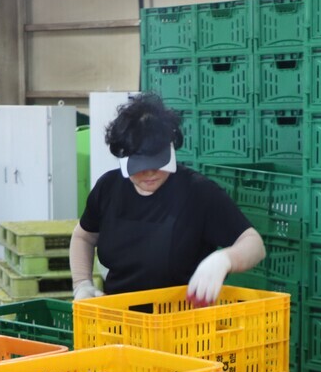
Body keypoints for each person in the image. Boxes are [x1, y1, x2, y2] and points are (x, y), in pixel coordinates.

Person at [69, 93, 265, 304]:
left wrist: (225, 259)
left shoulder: (199, 193)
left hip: (182, 324)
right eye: (140, 168)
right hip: (120, 320)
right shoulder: (108, 188)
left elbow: (254, 245)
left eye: (158, 163)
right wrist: (82, 283)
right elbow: (84, 237)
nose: (150, 173)